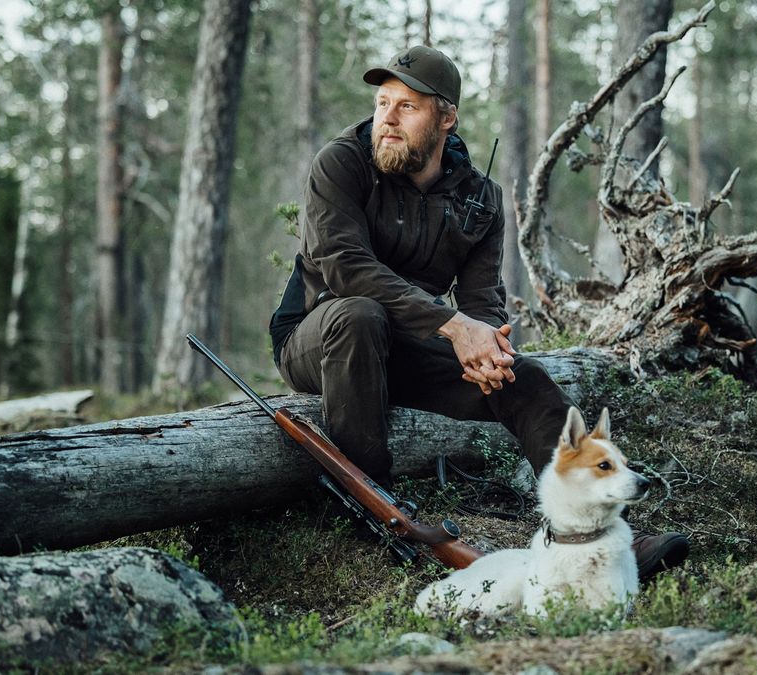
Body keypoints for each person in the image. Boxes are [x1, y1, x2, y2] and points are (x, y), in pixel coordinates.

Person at [269, 45, 688, 581]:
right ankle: (378, 510)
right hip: (320, 332)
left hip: (407, 343)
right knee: (359, 316)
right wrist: (456, 327)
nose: (388, 119)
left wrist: (487, 347)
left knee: (525, 379)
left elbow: (482, 299)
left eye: (408, 107)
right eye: (382, 103)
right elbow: (345, 268)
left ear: (446, 118)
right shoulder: (343, 162)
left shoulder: (480, 199)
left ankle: (601, 539)